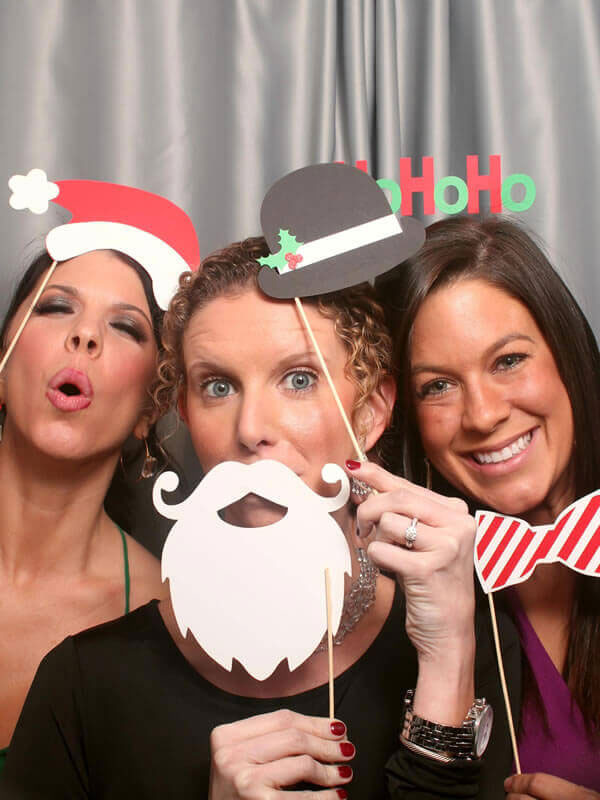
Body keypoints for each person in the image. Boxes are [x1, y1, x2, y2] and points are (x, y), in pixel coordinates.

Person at [2, 237, 513, 799]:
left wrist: (446, 665)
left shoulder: (470, 638)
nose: (250, 429)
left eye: (299, 379)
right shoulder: (83, 681)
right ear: (185, 413)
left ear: (369, 413)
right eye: (218, 387)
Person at [381, 215, 600, 798]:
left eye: (508, 361)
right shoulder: (403, 612)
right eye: (437, 386)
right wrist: (446, 650)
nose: (482, 415)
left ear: (568, 353)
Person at [0, 248, 167, 774]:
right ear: (3, 364)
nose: (86, 335)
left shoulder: (169, 621)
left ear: (150, 409)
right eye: (56, 307)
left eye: (125, 327)